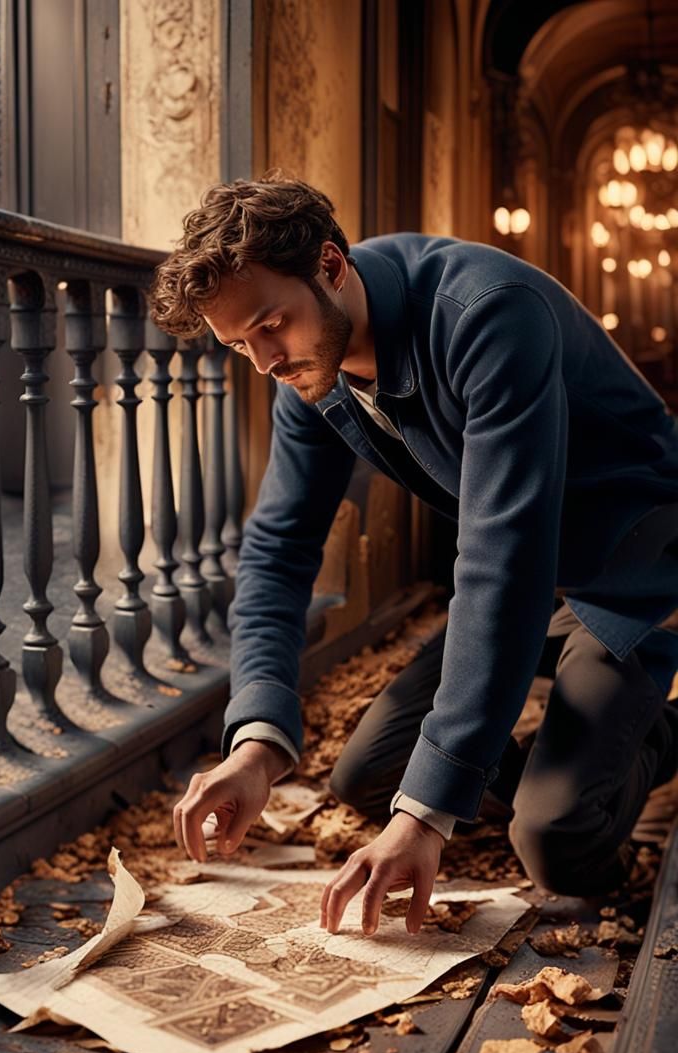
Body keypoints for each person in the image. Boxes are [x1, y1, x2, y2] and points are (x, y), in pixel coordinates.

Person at [150, 175, 678, 937]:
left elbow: (502, 562)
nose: (263, 362)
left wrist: (427, 818)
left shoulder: (488, 313)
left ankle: (653, 739)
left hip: (631, 567)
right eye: (239, 345)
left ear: (330, 265)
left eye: (271, 325)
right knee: (370, 776)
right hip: (533, 575)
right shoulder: (310, 363)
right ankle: (573, 755)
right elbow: (278, 549)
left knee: (552, 838)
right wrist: (257, 741)